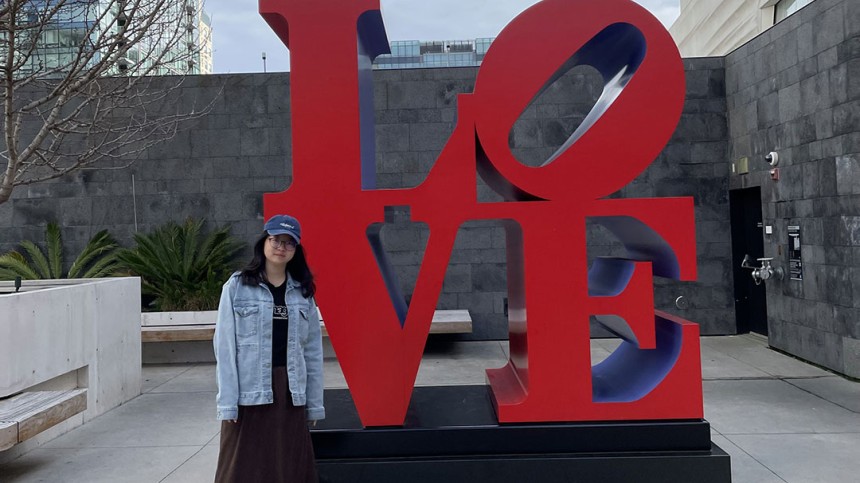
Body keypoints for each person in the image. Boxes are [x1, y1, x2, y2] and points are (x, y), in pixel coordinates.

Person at [214, 214, 324, 482]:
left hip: (290, 390)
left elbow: (311, 351)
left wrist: (314, 403)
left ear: (295, 250)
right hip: (250, 390)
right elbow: (225, 347)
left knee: (288, 464)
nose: (280, 247)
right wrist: (228, 402)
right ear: (264, 242)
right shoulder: (237, 286)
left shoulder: (302, 292)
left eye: (289, 243)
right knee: (241, 466)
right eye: (275, 239)